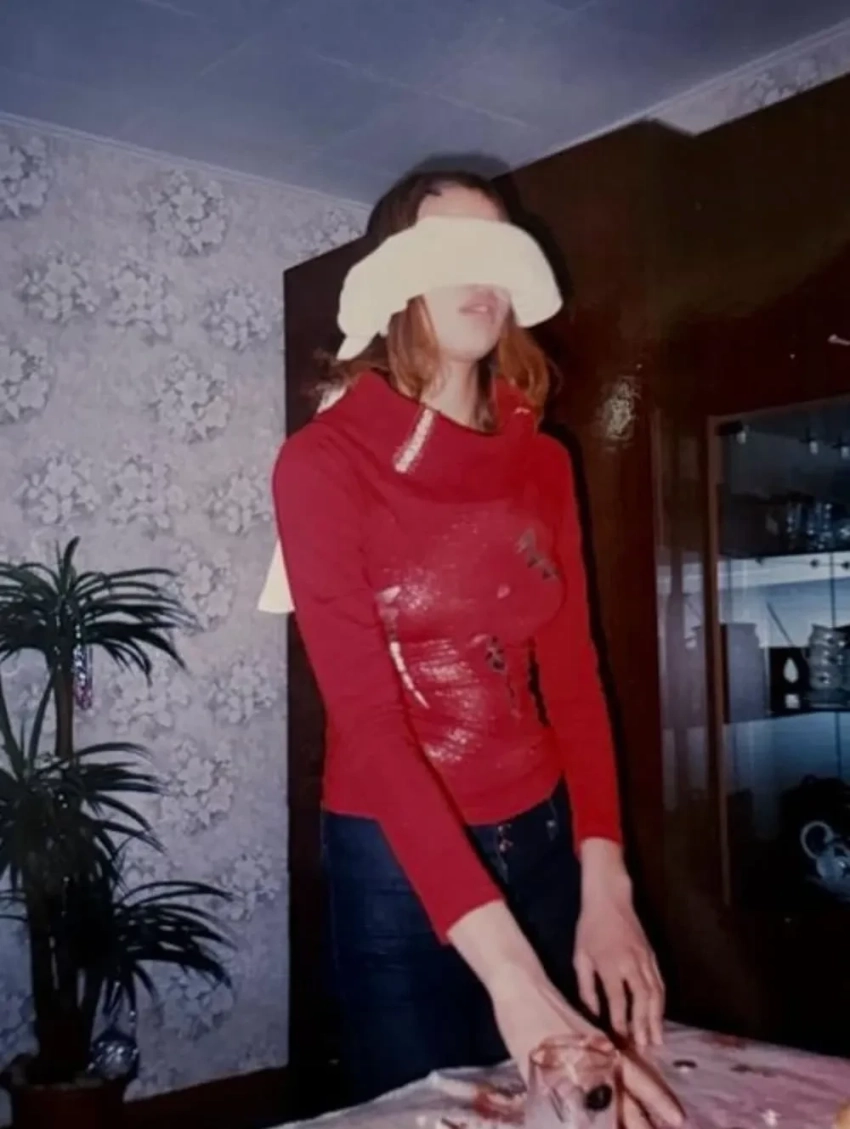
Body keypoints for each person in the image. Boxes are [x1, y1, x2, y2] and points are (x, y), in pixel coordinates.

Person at [266, 169, 683, 1128]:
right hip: (394, 860)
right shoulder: (321, 463)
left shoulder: (545, 461)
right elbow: (368, 722)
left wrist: (607, 881)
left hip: (543, 839)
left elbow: (575, 679)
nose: (482, 274)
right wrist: (511, 973)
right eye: (451, 248)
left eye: (500, 249)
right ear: (394, 277)